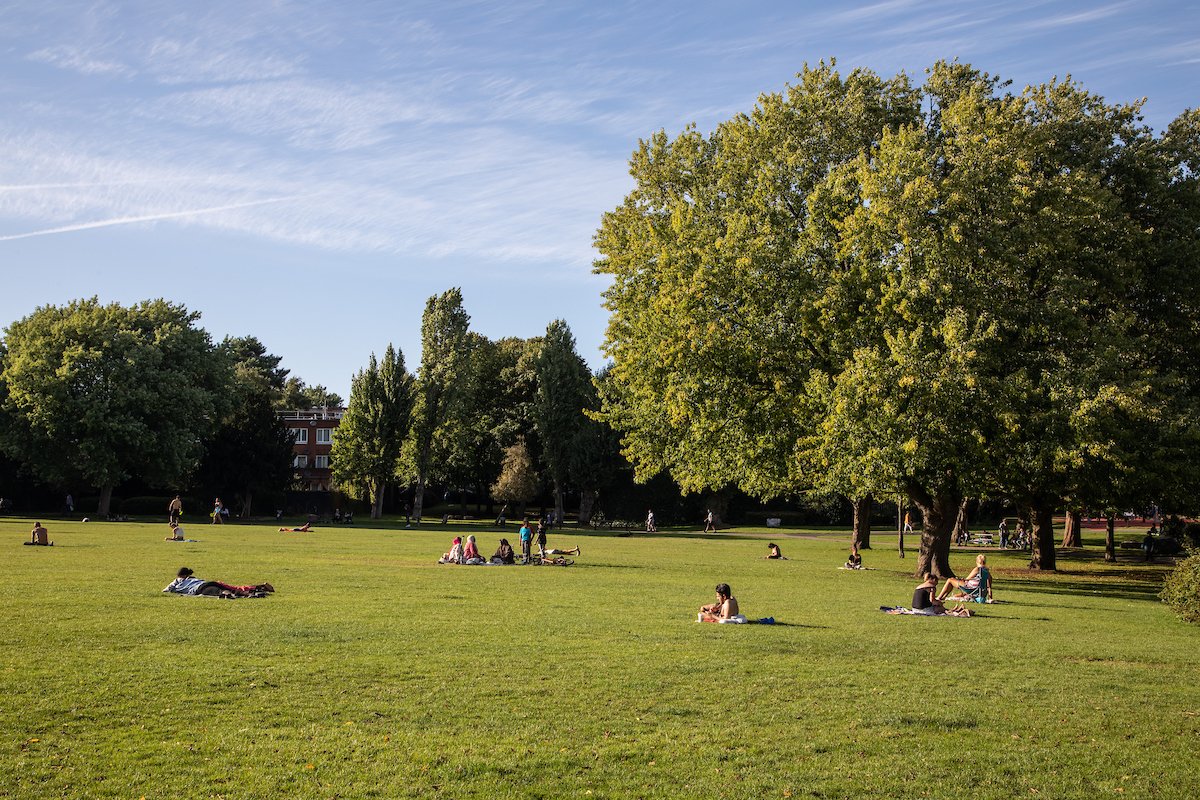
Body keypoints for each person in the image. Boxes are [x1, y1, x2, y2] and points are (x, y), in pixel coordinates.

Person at [163, 567, 274, 598]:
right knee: (235, 588)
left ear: (181, 575)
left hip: (200, 588)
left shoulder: (178, 580)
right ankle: (252, 592)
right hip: (209, 582)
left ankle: (229, 595)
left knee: (220, 592)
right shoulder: (193, 578)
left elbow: (167, 589)